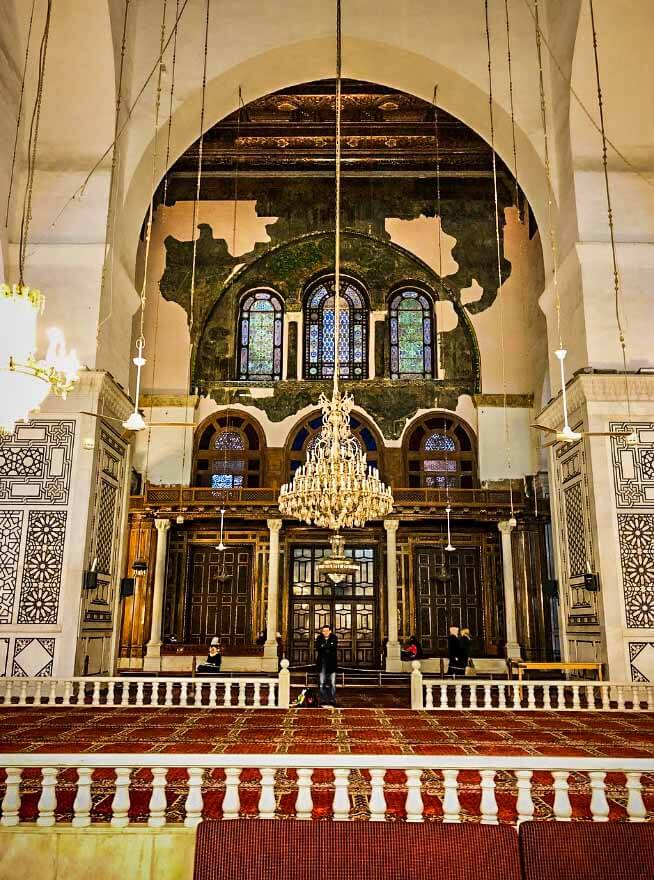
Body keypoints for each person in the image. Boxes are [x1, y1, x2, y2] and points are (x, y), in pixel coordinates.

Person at [315, 624, 338, 707]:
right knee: (322, 683)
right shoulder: (319, 638)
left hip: (332, 663)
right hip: (322, 663)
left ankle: (332, 699)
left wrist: (324, 646)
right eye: (324, 631)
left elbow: (334, 647)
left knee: (332, 683)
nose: (325, 632)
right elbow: (318, 648)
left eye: (327, 631)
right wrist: (328, 647)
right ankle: (323, 699)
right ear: (322, 632)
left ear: (330, 631)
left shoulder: (334, 637)